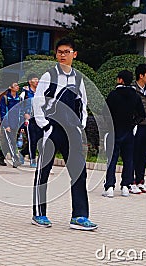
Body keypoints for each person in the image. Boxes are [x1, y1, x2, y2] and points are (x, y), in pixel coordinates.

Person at [32, 38, 97, 231]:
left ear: (74, 54)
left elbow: (83, 105)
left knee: (79, 173)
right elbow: (38, 101)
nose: (62, 55)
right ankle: (39, 213)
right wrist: (45, 125)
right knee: (43, 171)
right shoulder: (49, 75)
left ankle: (79, 216)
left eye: (66, 51)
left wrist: (80, 126)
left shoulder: (78, 78)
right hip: (52, 128)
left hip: (73, 131)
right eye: (59, 51)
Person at [102, 70, 145, 198]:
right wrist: (132, 123)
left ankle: (109, 186)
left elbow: (104, 112)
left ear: (120, 80)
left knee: (112, 159)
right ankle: (125, 186)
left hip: (114, 131)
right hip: (128, 131)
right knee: (128, 159)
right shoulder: (135, 96)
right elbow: (142, 115)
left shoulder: (113, 95)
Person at [130, 64, 146, 194]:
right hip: (136, 128)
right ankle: (131, 182)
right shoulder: (132, 90)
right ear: (141, 75)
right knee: (134, 155)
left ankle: (140, 181)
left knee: (143, 156)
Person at [18, 73, 42, 168]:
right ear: (29, 81)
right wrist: (24, 116)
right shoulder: (25, 94)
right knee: (32, 139)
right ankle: (33, 160)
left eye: (37, 79)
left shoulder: (40, 92)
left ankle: (22, 153)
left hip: (39, 119)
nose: (37, 81)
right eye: (34, 79)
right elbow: (19, 107)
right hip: (28, 120)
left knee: (38, 140)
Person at [0, 82, 22, 168]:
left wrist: (21, 126)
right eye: (15, 85)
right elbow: (3, 112)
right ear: (10, 87)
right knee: (12, 142)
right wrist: (6, 125)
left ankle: (0, 157)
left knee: (8, 142)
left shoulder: (19, 99)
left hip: (16, 123)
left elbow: (21, 112)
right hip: (8, 123)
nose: (17, 87)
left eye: (18, 85)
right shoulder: (5, 98)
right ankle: (15, 160)